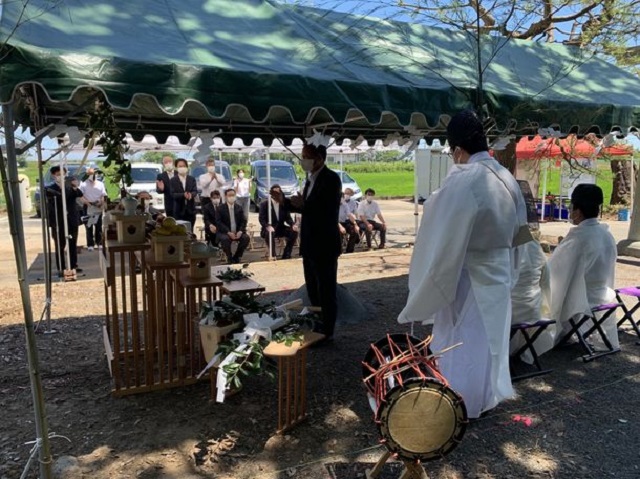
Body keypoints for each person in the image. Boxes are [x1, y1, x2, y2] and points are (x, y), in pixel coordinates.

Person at [397, 109, 530, 419]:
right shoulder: (508, 177)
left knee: (458, 341)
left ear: (457, 149)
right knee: (487, 341)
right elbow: (522, 234)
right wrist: (512, 270)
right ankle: (482, 400)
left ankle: (455, 404)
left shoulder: (467, 178)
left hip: (468, 275)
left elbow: (439, 228)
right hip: (499, 272)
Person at [278, 143, 341, 341]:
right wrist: (285, 202)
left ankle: (327, 331)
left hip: (325, 244)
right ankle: (316, 325)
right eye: (302, 155)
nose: (303, 159)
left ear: (320, 158)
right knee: (313, 288)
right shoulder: (310, 179)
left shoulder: (331, 179)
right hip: (310, 244)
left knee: (326, 290)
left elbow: (325, 209)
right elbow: (306, 208)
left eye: (307, 156)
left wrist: (304, 205)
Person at [547, 184, 618, 349]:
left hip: (580, 300)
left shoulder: (577, 238)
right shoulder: (607, 235)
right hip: (603, 293)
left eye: (571, 207)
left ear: (577, 211)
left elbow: (554, 273)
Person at [510, 232, 552, 359]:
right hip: (532, 311)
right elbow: (545, 281)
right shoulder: (535, 247)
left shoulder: (502, 248)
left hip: (510, 314)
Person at [46, 165, 84, 275]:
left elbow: (79, 194)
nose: (61, 176)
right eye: (58, 174)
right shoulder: (51, 189)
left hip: (72, 220)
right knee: (60, 245)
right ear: (53, 175)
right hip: (58, 222)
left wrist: (75, 187)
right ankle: (61, 268)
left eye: (63, 174)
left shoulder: (69, 187)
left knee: (72, 244)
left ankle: (73, 266)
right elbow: (52, 201)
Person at [259, 184, 299, 259]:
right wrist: (268, 226)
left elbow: (288, 218)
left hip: (281, 228)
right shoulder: (264, 204)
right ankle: (273, 254)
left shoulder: (283, 204)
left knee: (294, 232)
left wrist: (293, 225)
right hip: (268, 229)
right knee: (270, 233)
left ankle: (287, 253)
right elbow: (262, 219)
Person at [216, 188, 250, 264]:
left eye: (233, 195)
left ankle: (237, 256)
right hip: (225, 232)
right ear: (225, 196)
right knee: (225, 240)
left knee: (246, 238)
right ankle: (229, 257)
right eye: (229, 195)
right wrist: (228, 232)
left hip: (237, 232)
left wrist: (240, 231)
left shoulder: (239, 208)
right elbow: (219, 222)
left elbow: (243, 221)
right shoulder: (220, 208)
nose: (231, 197)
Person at [80, 168, 107, 251]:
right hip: (88, 206)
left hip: (98, 206)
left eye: (94, 174)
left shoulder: (100, 184)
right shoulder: (83, 184)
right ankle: (90, 244)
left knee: (98, 226)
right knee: (89, 226)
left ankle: (99, 243)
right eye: (90, 174)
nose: (92, 176)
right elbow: (81, 196)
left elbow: (103, 195)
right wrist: (87, 203)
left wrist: (101, 202)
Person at [170, 158, 197, 232]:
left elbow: (195, 191)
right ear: (176, 168)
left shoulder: (191, 179)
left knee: (190, 230)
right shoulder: (173, 180)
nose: (182, 168)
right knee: (179, 231)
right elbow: (172, 194)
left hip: (190, 209)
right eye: (180, 166)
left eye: (184, 166)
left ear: (187, 167)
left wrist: (191, 195)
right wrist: (183, 195)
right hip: (178, 210)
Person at [338, 188, 359, 253]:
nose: (341, 198)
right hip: (335, 224)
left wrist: (355, 224)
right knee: (339, 233)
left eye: (342, 197)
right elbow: (333, 218)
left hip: (344, 222)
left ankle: (349, 250)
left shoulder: (345, 204)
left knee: (354, 232)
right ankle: (338, 251)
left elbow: (349, 215)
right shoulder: (332, 205)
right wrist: (340, 227)